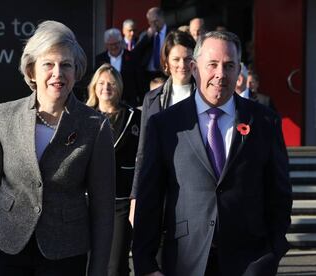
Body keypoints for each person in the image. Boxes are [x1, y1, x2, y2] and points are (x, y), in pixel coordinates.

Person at [0, 20, 115, 276]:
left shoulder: (95, 127)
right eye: (48, 64)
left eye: (66, 65)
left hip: (64, 252)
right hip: (5, 244)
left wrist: (98, 270)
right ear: (32, 71)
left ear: (76, 71)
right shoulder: (3, 116)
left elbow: (102, 207)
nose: (57, 73)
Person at [132, 31, 292, 276]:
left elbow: (279, 195)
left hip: (249, 262)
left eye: (229, 66)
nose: (220, 74)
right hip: (184, 261)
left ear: (239, 71)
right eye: (213, 65)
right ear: (195, 68)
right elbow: (149, 199)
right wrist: (146, 266)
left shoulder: (264, 121)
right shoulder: (165, 125)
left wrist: (272, 254)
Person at [129, 30, 196, 226]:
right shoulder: (152, 99)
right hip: (158, 186)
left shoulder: (204, 97)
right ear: (166, 61)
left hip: (194, 190)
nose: (182, 65)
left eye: (187, 58)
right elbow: (142, 151)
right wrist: (135, 198)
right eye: (176, 59)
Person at [87, 63, 141, 276]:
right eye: (101, 83)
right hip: (89, 201)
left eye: (110, 83)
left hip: (121, 201)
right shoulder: (83, 115)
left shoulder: (133, 116)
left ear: (118, 87)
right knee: (90, 262)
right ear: (94, 87)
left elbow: (141, 156)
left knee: (116, 265)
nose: (105, 87)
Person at [133, 7, 170, 102]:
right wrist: (147, 37)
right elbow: (135, 52)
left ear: (162, 18)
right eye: (150, 22)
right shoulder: (146, 35)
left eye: (156, 21)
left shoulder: (171, 33)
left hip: (165, 72)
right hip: (148, 74)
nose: (153, 25)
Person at [95, 28, 140, 107]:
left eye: (116, 43)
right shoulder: (99, 59)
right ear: (106, 44)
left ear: (121, 42)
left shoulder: (132, 57)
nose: (114, 47)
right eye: (110, 44)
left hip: (128, 102)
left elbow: (139, 80)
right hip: (107, 102)